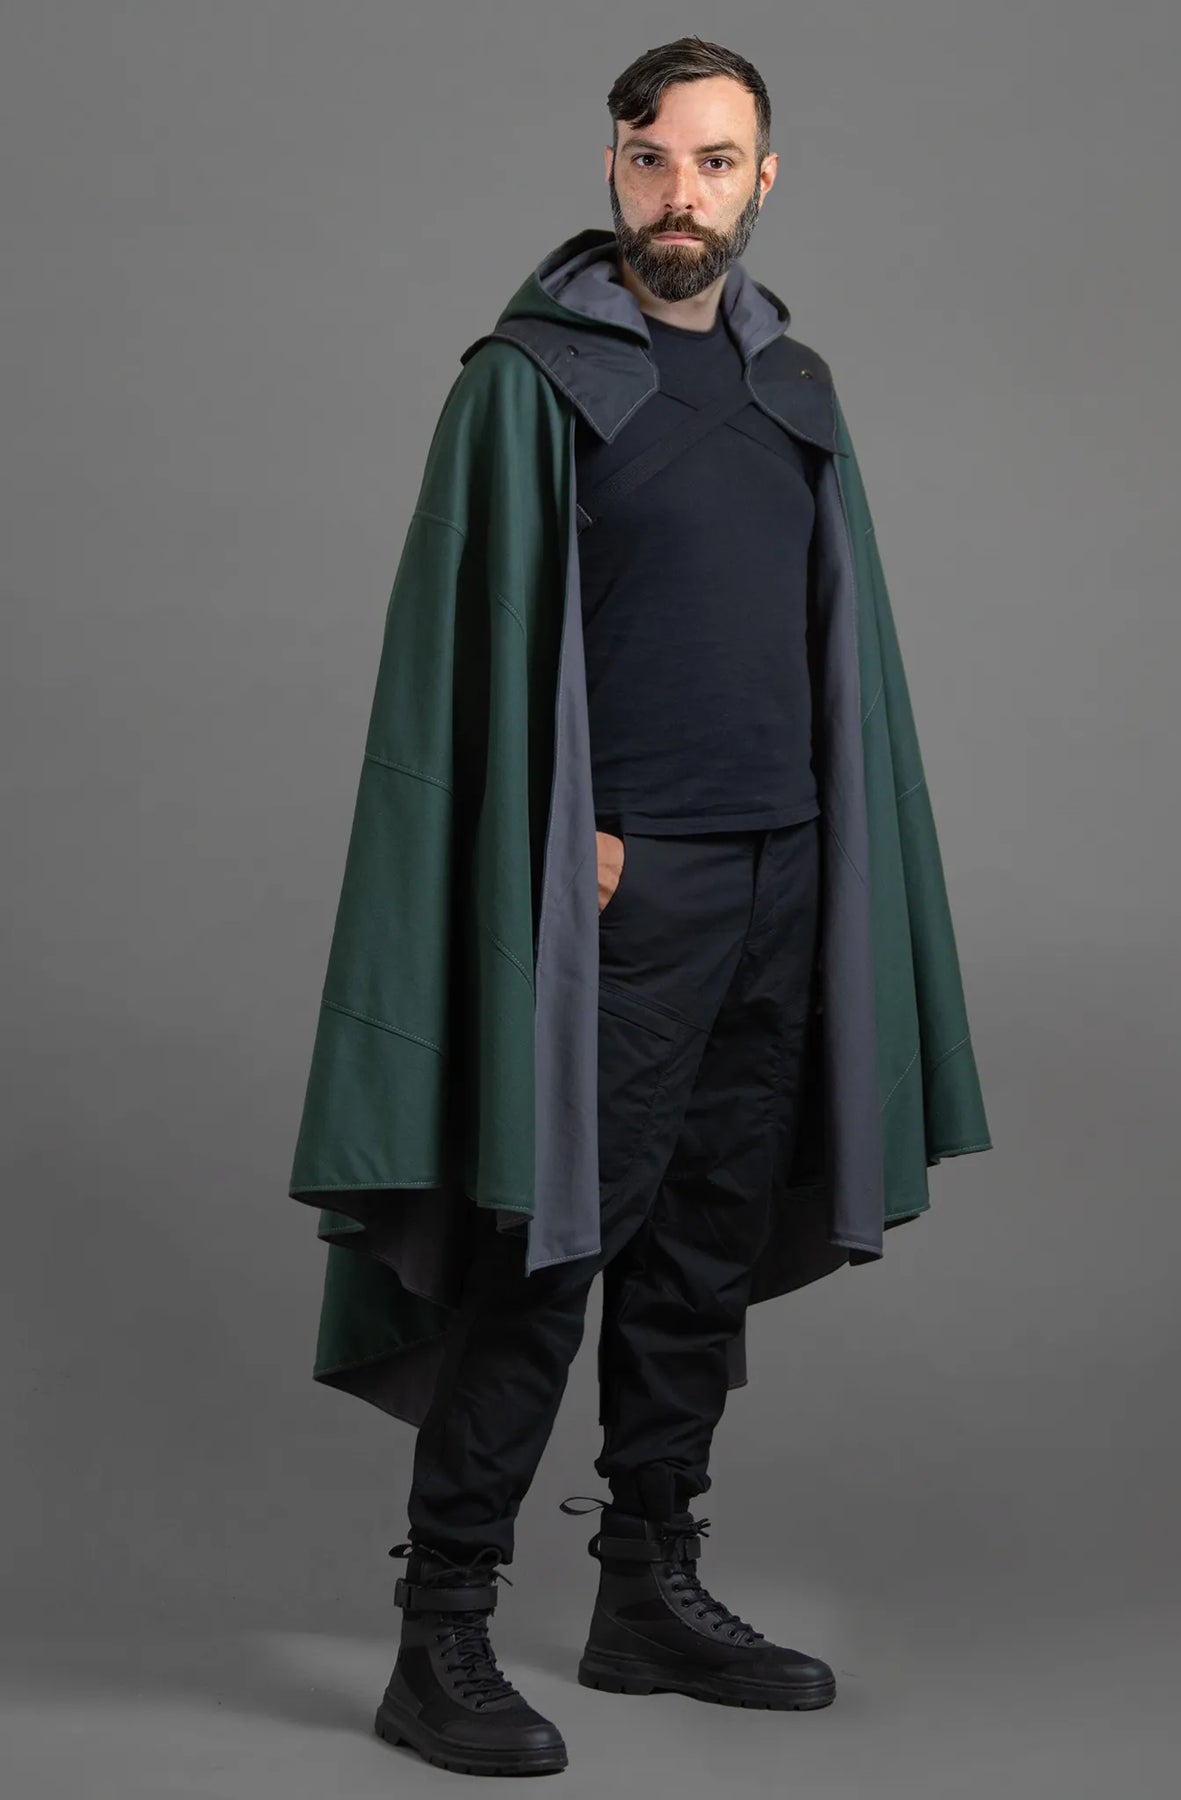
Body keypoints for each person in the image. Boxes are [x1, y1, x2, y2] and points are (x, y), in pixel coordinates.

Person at [287, 34, 992, 1780]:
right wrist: (568, 830)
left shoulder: (792, 385)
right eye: (653, 156)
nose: (684, 193)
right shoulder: (528, 380)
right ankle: (442, 1632)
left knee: (697, 1256)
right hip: (613, 893)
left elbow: (834, 645)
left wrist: (828, 856)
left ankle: (645, 1590)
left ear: (767, 178)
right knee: (547, 1249)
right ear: (611, 164)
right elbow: (468, 661)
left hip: (785, 871)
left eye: (717, 161)